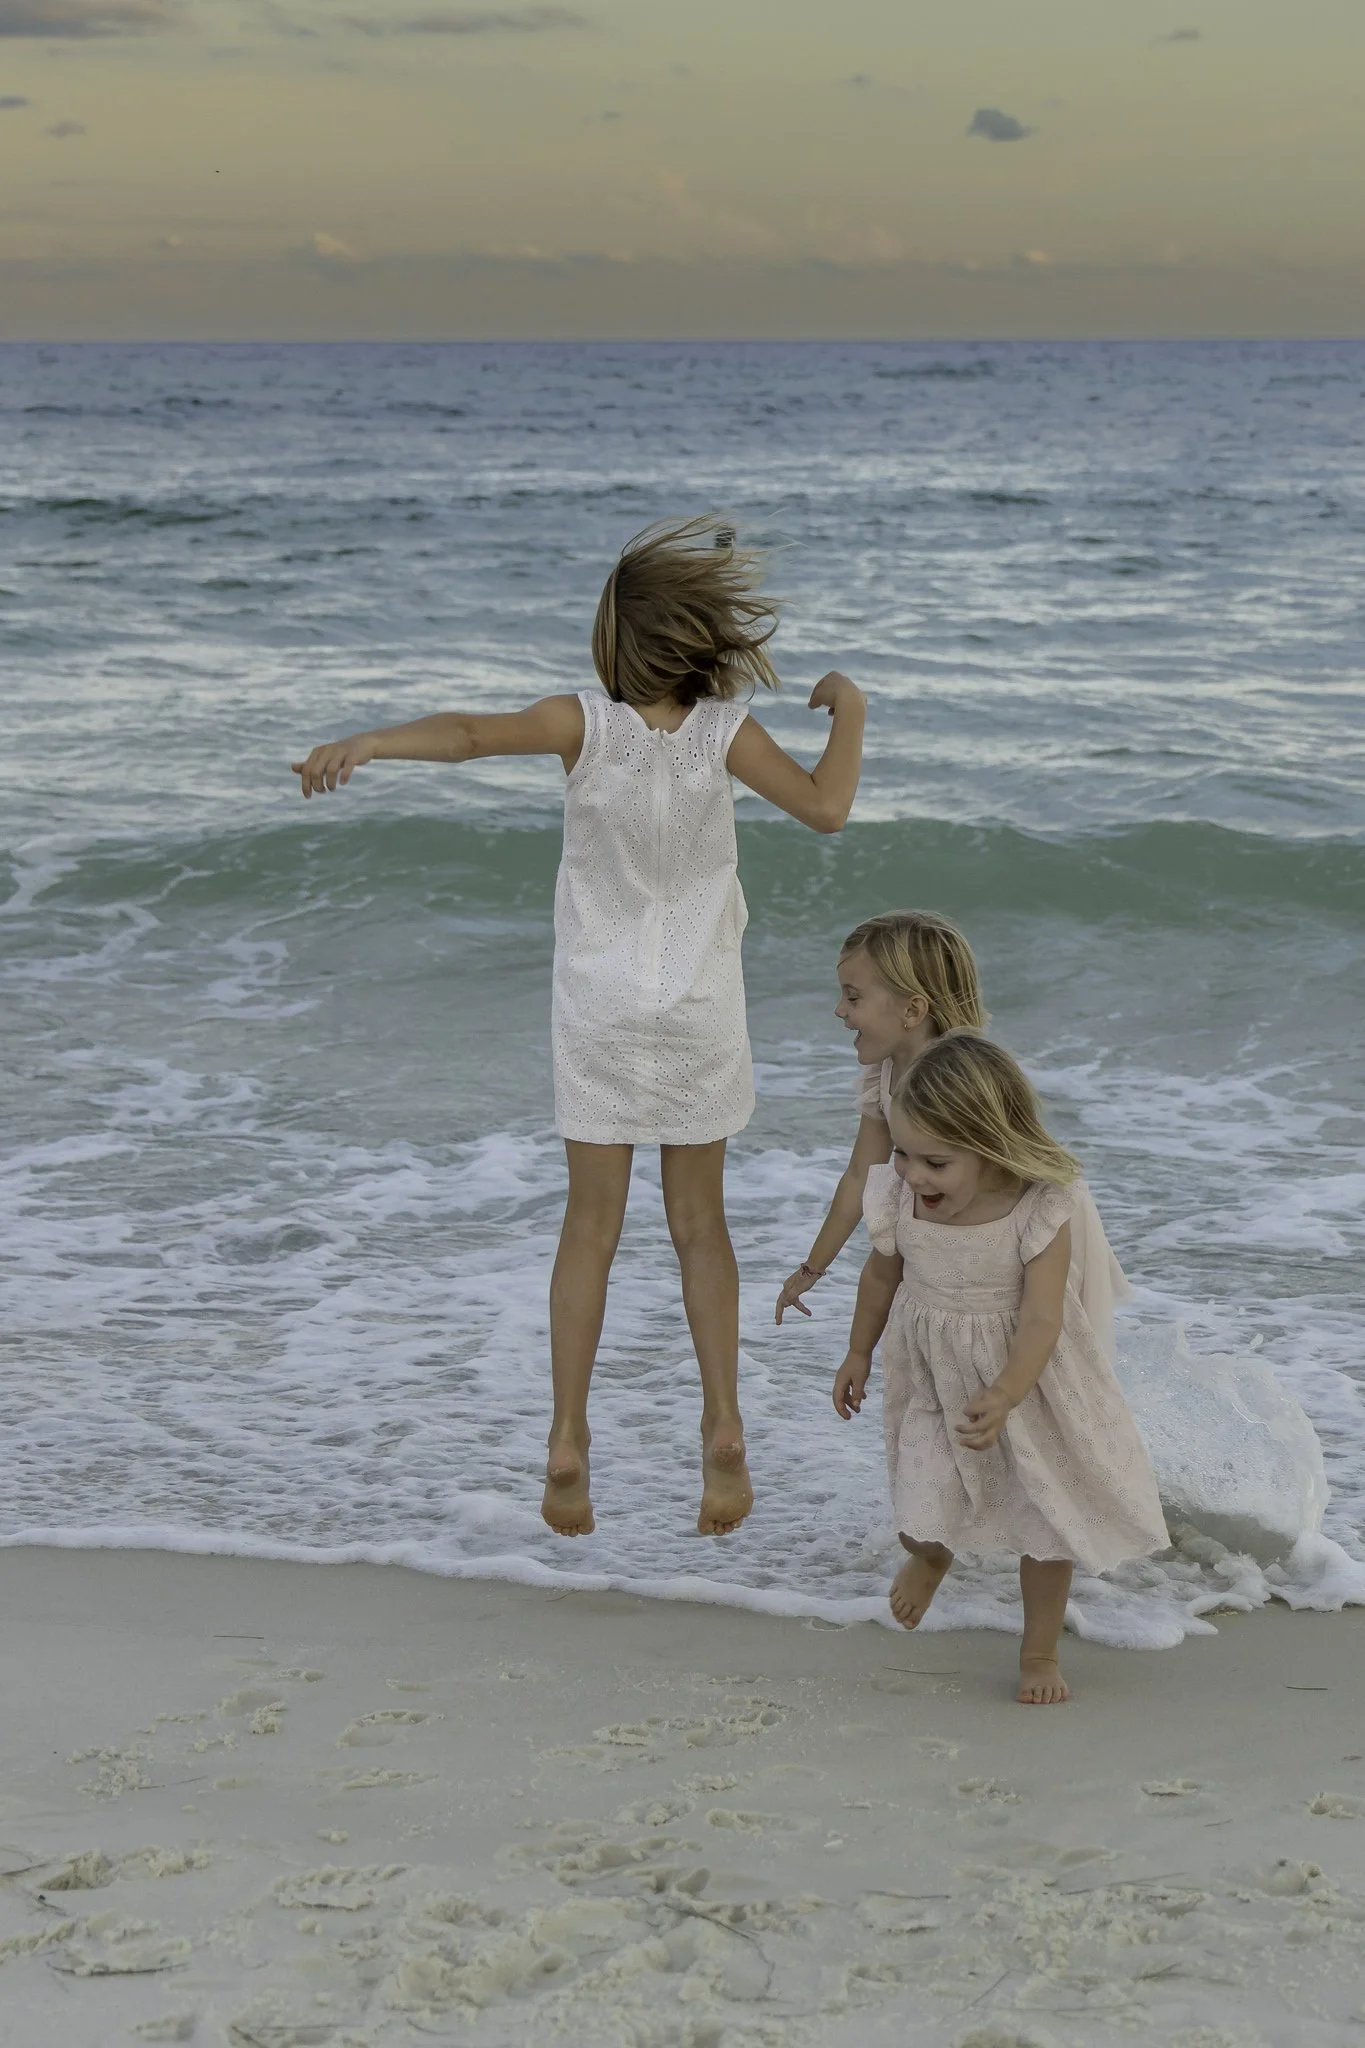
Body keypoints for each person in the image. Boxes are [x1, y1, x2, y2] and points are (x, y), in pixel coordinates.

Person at [292, 516, 866, 1541]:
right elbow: (828, 808)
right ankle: (724, 1423)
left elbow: (466, 734)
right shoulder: (724, 733)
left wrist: (369, 741)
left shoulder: (582, 726)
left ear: (616, 642)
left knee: (589, 1229)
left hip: (600, 1010)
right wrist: (852, 708)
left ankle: (567, 1435)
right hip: (698, 1010)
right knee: (701, 1228)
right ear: (697, 638)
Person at [831, 1030, 1168, 1704]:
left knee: (1044, 1524)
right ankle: (930, 1557)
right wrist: (858, 1351)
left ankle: (1038, 1651)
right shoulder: (900, 1197)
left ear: (989, 1148)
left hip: (1030, 1382)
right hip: (933, 1375)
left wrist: (1008, 1390)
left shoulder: (1039, 1207)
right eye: (901, 1154)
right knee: (917, 1502)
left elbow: (1045, 1316)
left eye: (934, 1161)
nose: (912, 1175)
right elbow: (879, 1277)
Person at [774, 912, 984, 1325]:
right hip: (935, 1255)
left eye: (853, 998)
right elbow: (859, 1175)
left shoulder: (960, 1082)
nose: (839, 1010)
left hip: (986, 1258)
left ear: (913, 1009)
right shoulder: (885, 1073)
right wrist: (810, 1270)